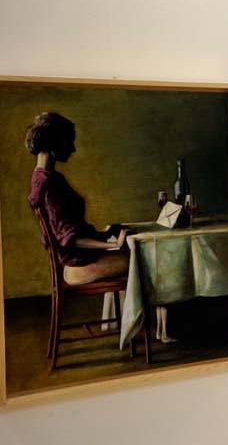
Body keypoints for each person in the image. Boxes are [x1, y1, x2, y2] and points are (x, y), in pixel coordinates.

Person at [25, 112, 178, 343]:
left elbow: (69, 230)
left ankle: (141, 325)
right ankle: (156, 329)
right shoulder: (50, 184)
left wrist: (106, 234)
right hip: (78, 265)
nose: (73, 148)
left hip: (77, 260)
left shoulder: (42, 178)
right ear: (54, 142)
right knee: (149, 259)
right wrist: (111, 245)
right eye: (69, 141)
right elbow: (69, 238)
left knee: (141, 253)